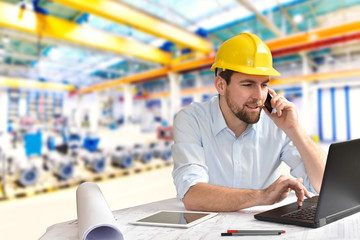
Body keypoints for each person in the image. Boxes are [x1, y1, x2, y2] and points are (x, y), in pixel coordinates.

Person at [171, 33, 327, 212]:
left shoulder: (276, 124)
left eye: (263, 85)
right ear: (221, 85)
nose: (259, 96)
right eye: (248, 84)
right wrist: (263, 196)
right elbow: (192, 194)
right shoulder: (192, 120)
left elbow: (323, 185)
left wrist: (294, 129)